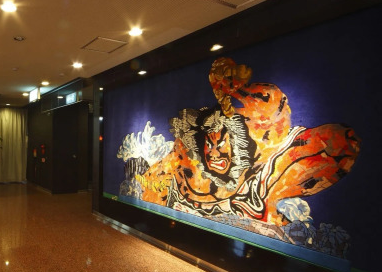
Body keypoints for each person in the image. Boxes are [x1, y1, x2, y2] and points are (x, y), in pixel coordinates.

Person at [136, 57, 360, 226]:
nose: (214, 153)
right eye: (209, 144)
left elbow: (341, 145)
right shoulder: (184, 162)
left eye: (221, 144)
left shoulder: (266, 173)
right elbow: (149, 183)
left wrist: (238, 90)